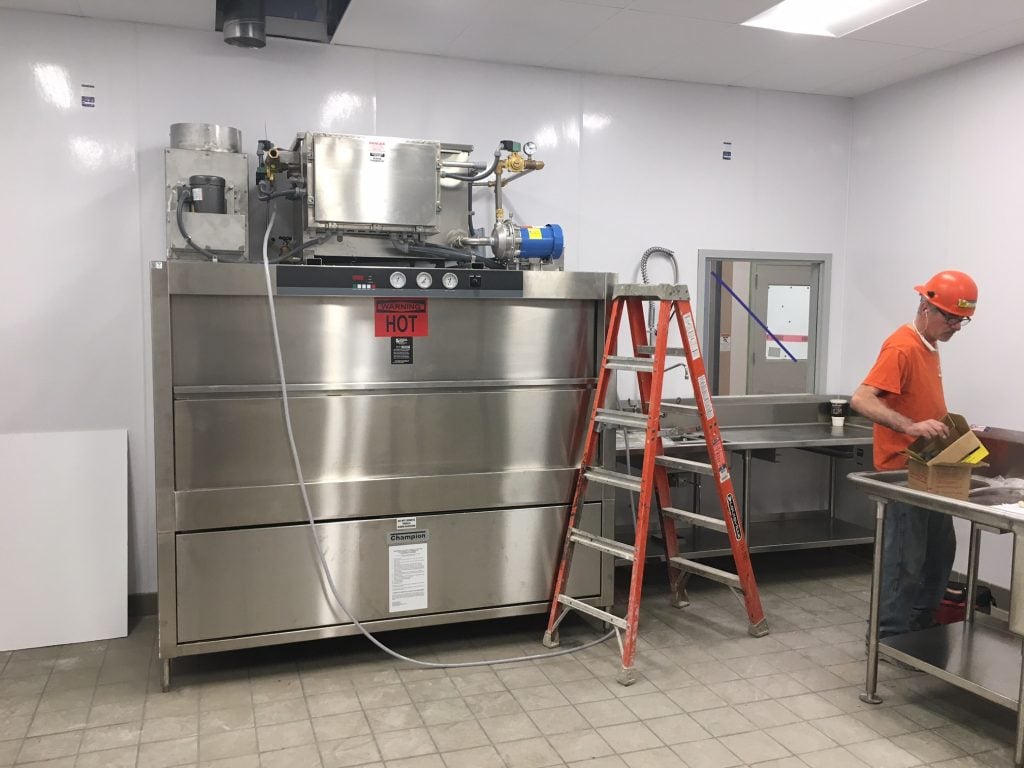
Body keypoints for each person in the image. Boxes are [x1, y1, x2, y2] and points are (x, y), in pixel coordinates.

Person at [850, 270, 978, 638]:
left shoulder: (929, 345)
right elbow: (861, 399)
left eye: (961, 320)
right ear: (926, 306)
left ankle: (920, 627)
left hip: (932, 471)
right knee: (904, 561)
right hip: (903, 475)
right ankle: (889, 635)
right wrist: (909, 427)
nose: (955, 326)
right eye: (950, 318)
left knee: (939, 556)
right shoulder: (902, 346)